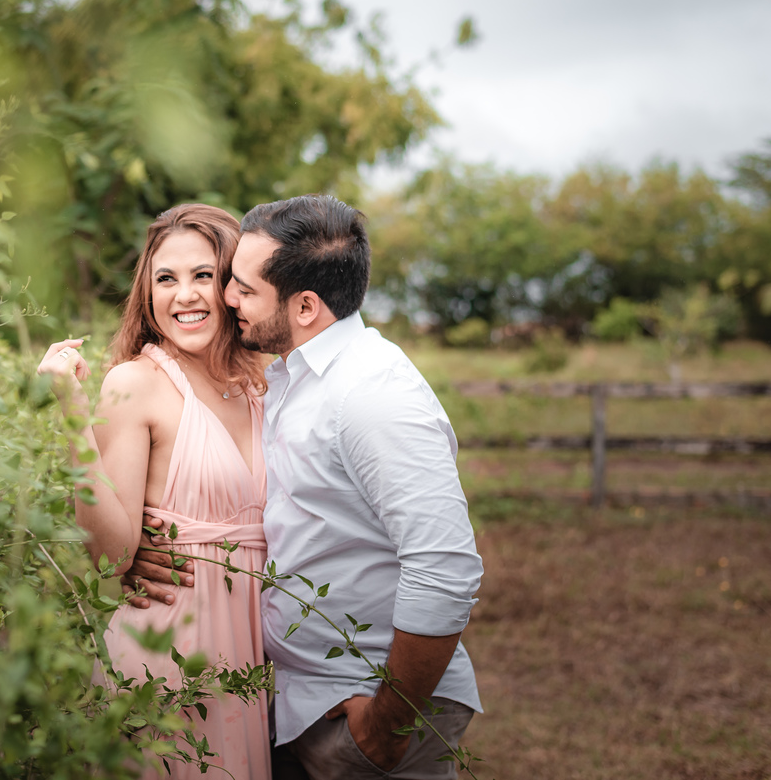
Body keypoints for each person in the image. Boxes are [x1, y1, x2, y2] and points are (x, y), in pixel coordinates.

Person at [125, 195, 484, 780]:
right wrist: (145, 538)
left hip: (369, 708)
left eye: (241, 287)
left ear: (307, 305)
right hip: (299, 703)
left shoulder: (373, 396)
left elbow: (445, 570)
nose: (226, 298)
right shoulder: (289, 376)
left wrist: (386, 726)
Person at [36, 203, 272, 779]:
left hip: (255, 652)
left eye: (203, 276)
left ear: (234, 286)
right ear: (147, 293)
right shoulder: (135, 383)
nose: (184, 295)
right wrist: (72, 412)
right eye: (166, 278)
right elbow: (111, 558)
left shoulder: (266, 381)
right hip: (167, 643)